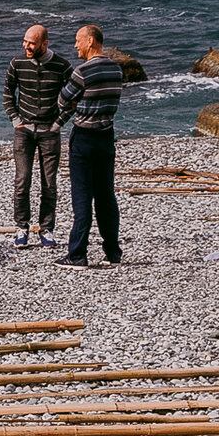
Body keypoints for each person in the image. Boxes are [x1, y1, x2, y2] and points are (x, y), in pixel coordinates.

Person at [53, 25, 124, 270]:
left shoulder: (82, 71)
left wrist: (77, 103)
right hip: (107, 135)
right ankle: (112, 251)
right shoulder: (116, 69)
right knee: (106, 195)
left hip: (84, 137)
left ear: (90, 41)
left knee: (82, 197)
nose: (75, 46)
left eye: (78, 40)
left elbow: (63, 100)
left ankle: (77, 254)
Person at [2, 24, 72, 248]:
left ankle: (47, 229)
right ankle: (21, 227)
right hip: (24, 131)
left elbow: (74, 98)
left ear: (44, 43)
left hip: (49, 132)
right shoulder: (17, 63)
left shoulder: (62, 66)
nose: (26, 46)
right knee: (22, 181)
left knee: (49, 184)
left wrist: (58, 123)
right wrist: (16, 120)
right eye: (25, 41)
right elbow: (7, 93)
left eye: (32, 43)